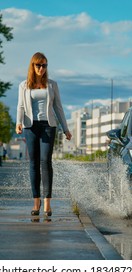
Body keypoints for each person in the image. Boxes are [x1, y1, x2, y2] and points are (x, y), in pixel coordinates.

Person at [16, 52, 72, 217]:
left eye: (44, 65)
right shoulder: (24, 85)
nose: (41, 68)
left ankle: (47, 202)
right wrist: (18, 123)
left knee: (45, 161)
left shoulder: (52, 85)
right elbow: (20, 106)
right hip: (30, 127)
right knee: (33, 163)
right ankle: (36, 201)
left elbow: (58, 107)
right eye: (38, 65)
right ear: (32, 66)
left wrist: (66, 129)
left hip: (49, 125)